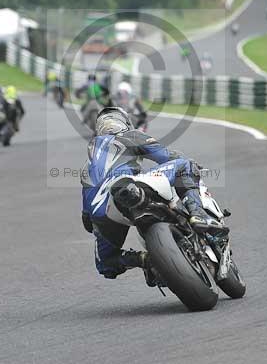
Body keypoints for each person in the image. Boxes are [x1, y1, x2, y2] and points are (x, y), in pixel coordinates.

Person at [79, 107, 225, 279]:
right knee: (184, 165)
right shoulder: (130, 135)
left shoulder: (87, 165)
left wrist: (99, 226)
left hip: (102, 213)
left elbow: (87, 221)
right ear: (125, 123)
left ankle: (146, 261)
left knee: (106, 264)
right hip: (128, 187)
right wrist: (189, 162)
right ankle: (197, 213)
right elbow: (166, 156)